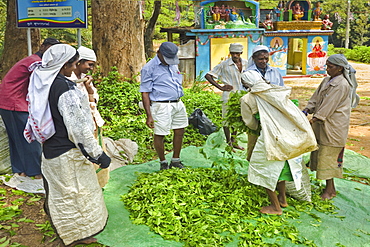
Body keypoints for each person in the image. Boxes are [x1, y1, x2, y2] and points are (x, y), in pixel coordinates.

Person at [26, 44, 111, 246]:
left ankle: (76, 235)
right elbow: (78, 128)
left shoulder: (45, 81)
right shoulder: (63, 88)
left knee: (63, 194)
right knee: (72, 196)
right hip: (66, 154)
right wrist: (98, 154)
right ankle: (70, 237)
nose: (74, 69)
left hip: (51, 150)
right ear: (64, 65)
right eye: (73, 65)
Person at [240, 70, 316, 215]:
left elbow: (249, 122)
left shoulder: (247, 99)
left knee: (264, 170)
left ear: (245, 84)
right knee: (281, 166)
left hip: (270, 137)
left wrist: (258, 127)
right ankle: (282, 198)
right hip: (287, 135)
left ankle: (275, 207)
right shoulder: (277, 91)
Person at [0, 38, 60, 179]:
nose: (51, 53)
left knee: (17, 138)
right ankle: (35, 172)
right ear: (42, 47)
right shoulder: (36, 63)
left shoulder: (33, 60)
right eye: (49, 49)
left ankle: (20, 169)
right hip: (14, 102)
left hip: (9, 101)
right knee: (29, 138)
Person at [303, 54, 359, 200]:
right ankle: (329, 187)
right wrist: (307, 109)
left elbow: (329, 105)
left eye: (330, 66)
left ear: (340, 68)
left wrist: (314, 119)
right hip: (323, 124)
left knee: (329, 156)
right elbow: (316, 98)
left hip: (333, 126)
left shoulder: (342, 85)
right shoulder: (327, 80)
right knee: (321, 153)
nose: (327, 69)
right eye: (327, 65)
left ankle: (330, 190)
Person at [140, 42, 188, 170]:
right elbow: (145, 92)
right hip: (161, 105)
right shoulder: (149, 68)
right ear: (159, 53)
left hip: (177, 103)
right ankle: (163, 162)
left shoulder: (173, 64)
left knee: (180, 130)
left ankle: (175, 160)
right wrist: (148, 115)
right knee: (160, 134)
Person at [68, 46, 108, 188]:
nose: (91, 68)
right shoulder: (69, 80)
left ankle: (97, 184)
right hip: (80, 127)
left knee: (97, 153)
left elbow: (93, 99)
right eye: (89, 64)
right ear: (78, 62)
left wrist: (90, 89)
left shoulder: (84, 79)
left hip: (92, 122)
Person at [205, 43, 248, 150]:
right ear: (230, 53)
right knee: (227, 119)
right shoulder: (224, 64)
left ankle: (234, 142)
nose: (235, 55)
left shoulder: (246, 63)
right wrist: (220, 87)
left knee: (237, 119)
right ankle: (228, 143)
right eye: (233, 53)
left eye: (237, 53)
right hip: (229, 95)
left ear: (241, 53)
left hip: (242, 95)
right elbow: (208, 75)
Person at [245, 45, 284, 161]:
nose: (264, 61)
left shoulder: (275, 72)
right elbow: (245, 94)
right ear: (254, 59)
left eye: (266, 59)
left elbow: (281, 88)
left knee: (272, 139)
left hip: (273, 111)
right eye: (261, 59)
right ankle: (252, 164)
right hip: (256, 110)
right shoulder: (248, 73)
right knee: (254, 138)